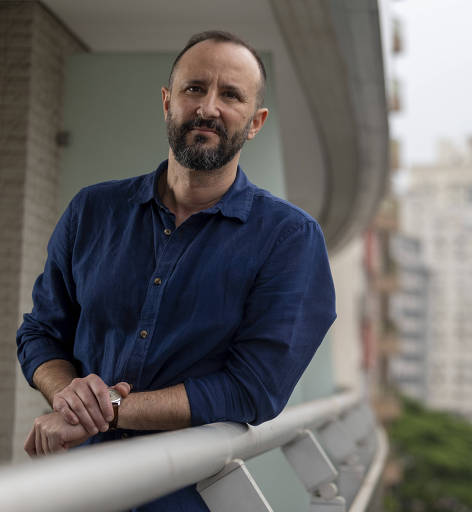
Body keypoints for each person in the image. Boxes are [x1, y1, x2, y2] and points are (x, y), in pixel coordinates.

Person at [16, 30, 336, 510]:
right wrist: (68, 397)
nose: (208, 107)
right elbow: (41, 332)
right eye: (194, 89)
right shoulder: (92, 210)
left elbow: (255, 389)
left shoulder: (290, 239)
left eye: (231, 95)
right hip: (74, 488)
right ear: (168, 102)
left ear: (255, 122)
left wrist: (109, 411)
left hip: (189, 498)